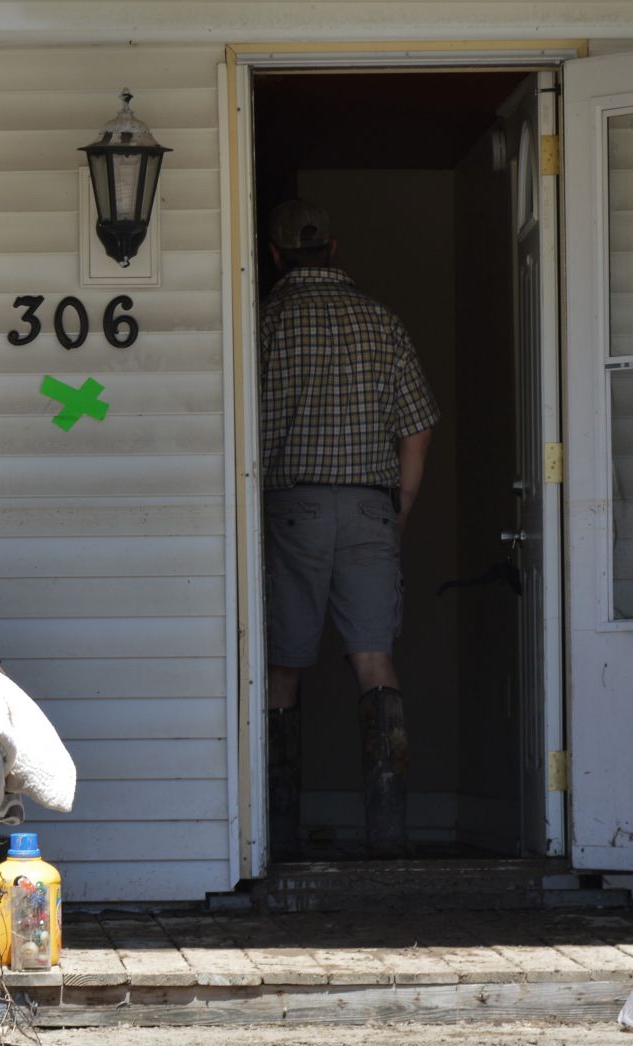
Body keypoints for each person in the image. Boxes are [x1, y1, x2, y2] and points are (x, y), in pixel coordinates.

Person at [258, 199, 439, 857]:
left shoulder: (268, 322)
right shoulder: (381, 322)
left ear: (276, 255)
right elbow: (417, 427)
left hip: (290, 508)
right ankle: (388, 835)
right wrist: (402, 505)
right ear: (333, 247)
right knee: (374, 660)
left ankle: (275, 837)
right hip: (369, 505)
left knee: (283, 667)